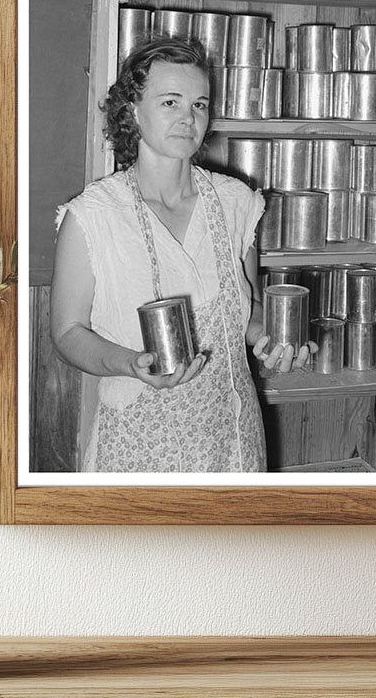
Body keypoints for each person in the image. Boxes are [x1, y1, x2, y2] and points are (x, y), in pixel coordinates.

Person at [51, 37, 313, 472]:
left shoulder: (235, 201)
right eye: (170, 102)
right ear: (132, 111)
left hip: (232, 439)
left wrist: (271, 339)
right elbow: (67, 331)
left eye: (199, 104)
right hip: (139, 447)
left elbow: (246, 308)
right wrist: (132, 364)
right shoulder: (93, 216)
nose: (187, 117)